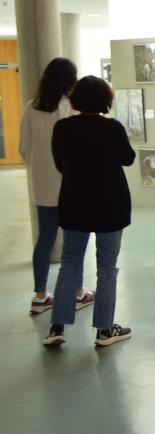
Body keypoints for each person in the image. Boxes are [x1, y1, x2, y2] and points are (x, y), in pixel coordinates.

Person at [43, 76, 135, 347]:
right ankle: (105, 331)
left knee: (69, 264)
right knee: (107, 267)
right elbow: (128, 159)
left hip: (75, 203)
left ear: (75, 99)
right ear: (106, 100)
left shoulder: (62, 128)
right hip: (111, 205)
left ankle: (56, 328)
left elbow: (60, 164)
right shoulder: (113, 127)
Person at [19, 58, 94, 315]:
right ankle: (77, 292)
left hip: (42, 186)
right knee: (74, 242)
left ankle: (40, 296)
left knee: (45, 239)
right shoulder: (69, 108)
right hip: (70, 185)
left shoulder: (30, 107)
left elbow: (23, 149)